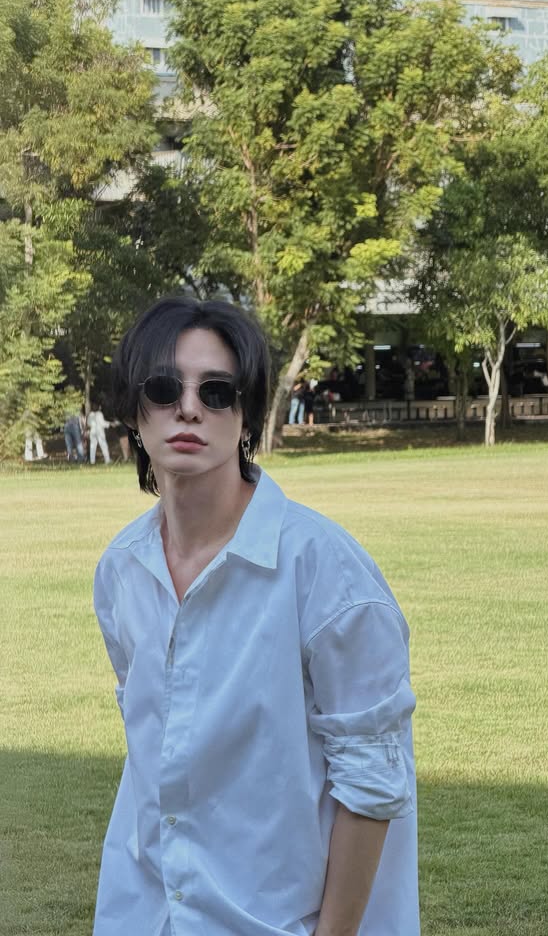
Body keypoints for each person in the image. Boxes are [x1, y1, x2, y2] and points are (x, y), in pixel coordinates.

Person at [92, 296, 418, 936]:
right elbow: (152, 753)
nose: (189, 408)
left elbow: (373, 780)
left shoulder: (326, 571)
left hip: (279, 921)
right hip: (146, 913)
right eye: (164, 388)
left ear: (247, 416)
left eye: (217, 392)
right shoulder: (122, 570)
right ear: (134, 410)